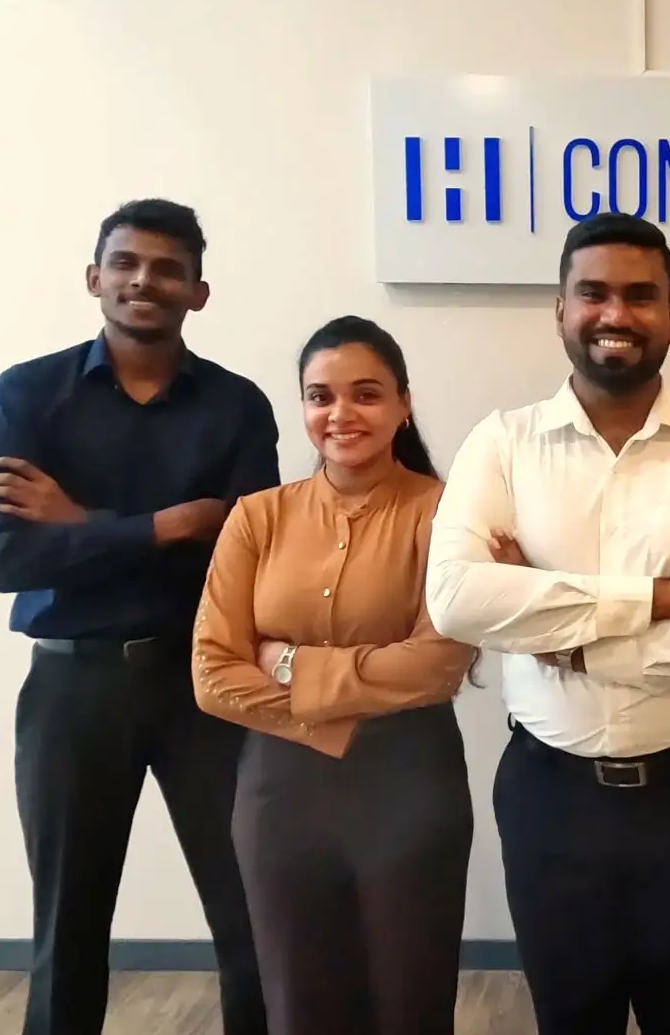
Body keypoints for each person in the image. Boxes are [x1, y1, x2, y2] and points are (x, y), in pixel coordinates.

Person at [425, 212, 670, 1035]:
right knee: (569, 1020)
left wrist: (570, 638)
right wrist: (660, 599)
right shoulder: (503, 443)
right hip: (550, 797)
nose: (615, 314)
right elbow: (456, 599)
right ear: (560, 309)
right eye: (593, 293)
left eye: (640, 295)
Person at [0, 198, 273, 1035]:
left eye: (168, 269)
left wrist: (79, 525)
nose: (145, 280)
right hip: (75, 687)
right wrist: (166, 526)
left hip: (203, 683)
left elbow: (246, 562)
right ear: (94, 278)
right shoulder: (26, 396)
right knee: (67, 926)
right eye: (127, 263)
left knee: (252, 915)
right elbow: (11, 561)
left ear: (198, 293)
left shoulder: (238, 407)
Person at [191, 316, 478, 1035]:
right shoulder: (257, 517)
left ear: (404, 404)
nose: (341, 413)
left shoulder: (449, 513)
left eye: (366, 394)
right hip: (279, 797)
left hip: (410, 788)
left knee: (409, 1002)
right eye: (320, 396)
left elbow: (440, 661)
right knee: (298, 1002)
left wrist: (288, 663)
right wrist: (352, 699)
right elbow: (211, 672)